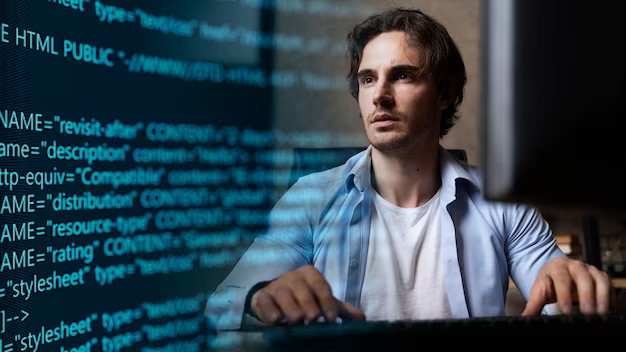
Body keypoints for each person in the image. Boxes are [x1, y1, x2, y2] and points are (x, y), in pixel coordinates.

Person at [205, 8, 615, 330]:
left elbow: (556, 292)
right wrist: (261, 296)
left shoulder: (504, 203)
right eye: (368, 79)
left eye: (402, 76)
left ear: (445, 94)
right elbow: (223, 304)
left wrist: (572, 287)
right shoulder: (311, 198)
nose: (379, 96)